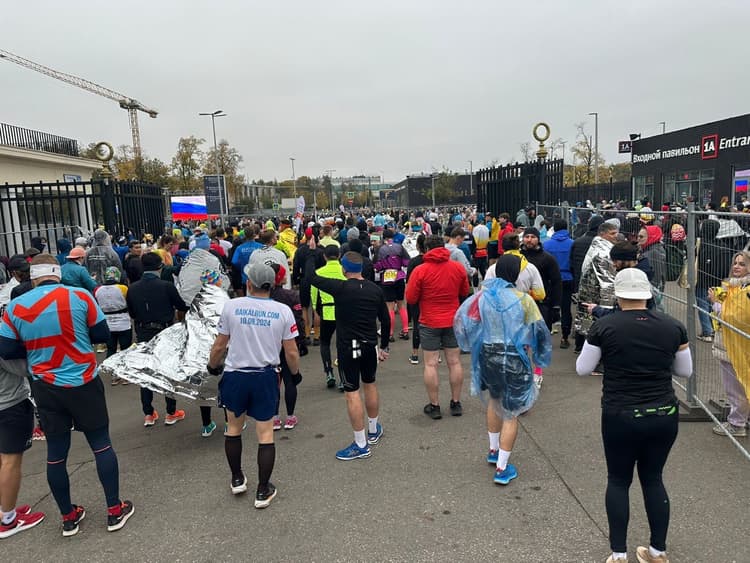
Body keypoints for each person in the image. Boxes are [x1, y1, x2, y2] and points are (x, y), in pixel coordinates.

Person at [0, 254, 134, 537]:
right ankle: (114, 509)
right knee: (101, 444)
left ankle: (68, 517)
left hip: (45, 385)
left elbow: (8, 350)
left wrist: (35, 346)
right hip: (83, 379)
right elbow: (102, 335)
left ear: (33, 278)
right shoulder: (81, 296)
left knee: (56, 453)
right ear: (57, 273)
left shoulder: (15, 307)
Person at [576, 268, 692, 563]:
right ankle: (657, 552)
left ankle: (618, 554)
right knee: (653, 478)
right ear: (648, 293)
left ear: (617, 295)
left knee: (618, 480)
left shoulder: (604, 326)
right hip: (663, 412)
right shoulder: (673, 326)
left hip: (620, 413)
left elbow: (583, 369)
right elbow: (685, 371)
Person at [207, 262, 300, 507]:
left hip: (236, 375)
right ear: (273, 284)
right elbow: (291, 351)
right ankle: (262, 489)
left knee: (233, 428)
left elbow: (219, 345)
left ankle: (237, 478)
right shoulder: (283, 311)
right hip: (265, 376)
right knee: (265, 433)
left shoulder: (232, 306)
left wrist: (212, 365)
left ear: (249, 283)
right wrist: (295, 373)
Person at [454, 254, 551, 485]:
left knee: (494, 400)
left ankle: (493, 449)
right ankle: (502, 467)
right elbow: (539, 331)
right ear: (516, 273)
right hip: (515, 358)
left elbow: (467, 323)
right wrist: (540, 356)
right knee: (511, 412)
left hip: (488, 356)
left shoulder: (482, 297)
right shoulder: (523, 299)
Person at [309, 251, 391, 460]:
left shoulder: (340, 287)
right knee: (370, 384)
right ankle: (373, 429)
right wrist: (384, 346)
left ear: (344, 269)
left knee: (352, 392)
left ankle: (361, 444)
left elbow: (312, 278)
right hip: (370, 345)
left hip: (350, 347)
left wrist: (311, 254)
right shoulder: (375, 290)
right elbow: (386, 319)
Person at [406, 235, 470, 419]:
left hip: (429, 321)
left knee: (431, 364)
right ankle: (456, 402)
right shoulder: (457, 268)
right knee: (454, 362)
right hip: (452, 319)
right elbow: (464, 291)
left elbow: (411, 298)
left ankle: (434, 405)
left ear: (426, 249)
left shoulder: (420, 270)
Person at [126, 252, 189, 426]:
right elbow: (181, 305)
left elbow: (132, 313)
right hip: (165, 332)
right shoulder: (166, 286)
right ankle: (171, 412)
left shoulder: (133, 288)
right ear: (160, 267)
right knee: (168, 371)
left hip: (143, 332)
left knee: (145, 372)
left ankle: (148, 413)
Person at [0, 351, 45, 537]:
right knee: (10, 462)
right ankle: (8, 520)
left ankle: (4, 509)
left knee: (3, 460)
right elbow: (24, 368)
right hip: (9, 404)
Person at [708, 250, 750, 437]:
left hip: (736, 347)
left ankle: (737, 424)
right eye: (735, 262)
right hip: (733, 345)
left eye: (742, 264)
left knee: (736, 388)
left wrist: (716, 303)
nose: (736, 267)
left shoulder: (745, 290)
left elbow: (734, 318)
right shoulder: (734, 286)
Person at [269, 264, 307, 431]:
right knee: (290, 378)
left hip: (270, 344)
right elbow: (299, 320)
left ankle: (275, 417)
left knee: (274, 382)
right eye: (284, 274)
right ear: (280, 278)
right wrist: (302, 341)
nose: (286, 276)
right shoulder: (291, 296)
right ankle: (290, 417)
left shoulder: (264, 297)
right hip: (289, 342)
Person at [573, 221, 619, 355]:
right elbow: (608, 282)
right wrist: (608, 305)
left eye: (616, 233)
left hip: (588, 293)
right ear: (602, 234)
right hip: (597, 296)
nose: (615, 236)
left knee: (587, 322)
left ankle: (582, 348)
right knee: (596, 326)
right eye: (612, 233)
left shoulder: (596, 246)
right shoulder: (604, 252)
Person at [311, 245, 346, 389]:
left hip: (326, 311)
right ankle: (343, 378)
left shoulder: (318, 272)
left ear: (324, 257)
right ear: (339, 255)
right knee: (342, 345)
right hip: (343, 312)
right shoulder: (345, 271)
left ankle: (329, 373)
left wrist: (316, 310)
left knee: (325, 343)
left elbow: (314, 296)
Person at [695, 219, 733, 342]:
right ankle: (714, 329)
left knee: (703, 305)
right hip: (717, 282)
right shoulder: (722, 245)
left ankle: (707, 332)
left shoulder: (700, 245)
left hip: (702, 281)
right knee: (714, 306)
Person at [94, 266, 132, 385]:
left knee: (111, 349)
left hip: (107, 322)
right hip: (123, 321)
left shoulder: (98, 290)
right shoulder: (123, 288)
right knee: (125, 348)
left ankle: (114, 375)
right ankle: (125, 375)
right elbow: (129, 302)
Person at [373, 229, 411, 341]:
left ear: (383, 237)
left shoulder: (380, 249)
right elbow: (406, 262)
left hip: (387, 278)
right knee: (401, 305)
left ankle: (390, 333)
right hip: (399, 276)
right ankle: (405, 331)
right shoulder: (399, 247)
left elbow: (377, 266)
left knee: (389, 307)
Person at [544, 219, 574, 348]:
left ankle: (547, 336)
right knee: (566, 308)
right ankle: (565, 337)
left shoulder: (546, 244)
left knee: (548, 307)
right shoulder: (572, 243)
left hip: (551, 279)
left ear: (554, 229)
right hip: (567, 278)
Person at [406, 234, 426, 365]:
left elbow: (408, 282)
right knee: (432, 326)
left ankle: (415, 354)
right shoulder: (433, 262)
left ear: (417, 246)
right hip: (430, 297)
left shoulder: (413, 262)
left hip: (417, 297)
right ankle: (435, 353)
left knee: (417, 324)